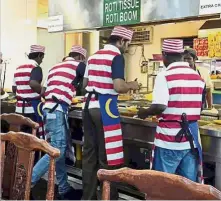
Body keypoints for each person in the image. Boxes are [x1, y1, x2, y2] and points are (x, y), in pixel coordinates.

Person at [82, 26, 139, 200]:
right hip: (105, 107)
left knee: (90, 154)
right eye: (127, 44)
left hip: (88, 105)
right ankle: (109, 197)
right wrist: (132, 85)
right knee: (107, 156)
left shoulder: (93, 57)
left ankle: (89, 197)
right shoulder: (116, 56)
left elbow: (84, 85)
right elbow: (118, 86)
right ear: (121, 41)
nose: (127, 48)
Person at [138, 39, 206, 183]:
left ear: (164, 55)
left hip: (169, 140)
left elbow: (160, 106)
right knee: (187, 187)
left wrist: (144, 112)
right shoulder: (197, 77)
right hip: (191, 141)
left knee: (162, 186)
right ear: (182, 54)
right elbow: (199, 107)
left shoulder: (165, 75)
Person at [31, 45, 87, 200]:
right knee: (56, 150)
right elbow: (87, 84)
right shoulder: (79, 65)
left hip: (48, 109)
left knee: (58, 150)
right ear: (81, 57)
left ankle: (64, 189)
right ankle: (27, 182)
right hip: (57, 109)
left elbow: (48, 89)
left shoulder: (55, 67)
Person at [12, 45, 45, 139]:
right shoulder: (36, 67)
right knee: (34, 138)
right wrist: (44, 93)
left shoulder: (18, 68)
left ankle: (23, 154)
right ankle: (34, 154)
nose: (42, 60)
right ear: (39, 55)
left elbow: (14, 88)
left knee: (22, 138)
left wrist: (22, 93)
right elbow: (33, 84)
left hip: (19, 109)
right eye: (42, 57)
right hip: (32, 109)